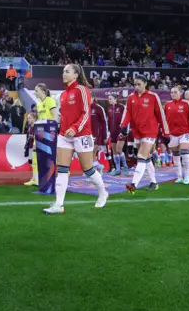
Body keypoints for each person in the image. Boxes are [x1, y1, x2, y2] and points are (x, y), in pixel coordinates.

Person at [43, 63, 108, 214]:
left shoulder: (82, 90)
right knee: (62, 169)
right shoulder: (63, 95)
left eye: (66, 71)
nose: (63, 74)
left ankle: (103, 192)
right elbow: (63, 115)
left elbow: (86, 113)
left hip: (82, 135)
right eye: (63, 71)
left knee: (88, 169)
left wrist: (75, 128)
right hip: (64, 136)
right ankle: (59, 205)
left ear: (75, 75)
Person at [120, 76, 169, 193]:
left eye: (139, 84)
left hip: (150, 131)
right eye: (135, 85)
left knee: (141, 156)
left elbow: (160, 115)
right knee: (146, 158)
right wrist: (123, 125)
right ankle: (153, 182)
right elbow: (128, 113)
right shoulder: (131, 97)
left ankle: (133, 184)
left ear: (145, 84)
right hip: (137, 132)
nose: (136, 87)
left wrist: (165, 132)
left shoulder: (153, 97)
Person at [164, 87, 189, 185]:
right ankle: (179, 176)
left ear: (180, 93)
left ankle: (187, 175)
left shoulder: (186, 103)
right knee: (176, 156)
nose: (173, 94)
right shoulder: (167, 104)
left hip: (185, 132)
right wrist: (165, 132)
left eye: (175, 92)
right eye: (171, 92)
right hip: (172, 134)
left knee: (185, 153)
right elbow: (164, 120)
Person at [107, 95, 128, 176]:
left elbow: (127, 118)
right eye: (108, 99)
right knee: (115, 152)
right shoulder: (109, 108)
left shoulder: (122, 107)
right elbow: (109, 121)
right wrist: (109, 132)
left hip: (121, 132)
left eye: (110, 98)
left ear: (115, 99)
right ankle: (117, 169)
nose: (109, 100)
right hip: (112, 133)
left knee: (119, 150)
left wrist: (124, 131)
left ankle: (125, 167)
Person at [89, 95, 108, 174]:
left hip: (97, 134)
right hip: (87, 134)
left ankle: (93, 173)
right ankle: (99, 167)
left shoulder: (99, 108)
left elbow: (104, 123)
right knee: (89, 153)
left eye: (89, 97)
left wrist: (105, 136)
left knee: (92, 152)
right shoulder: (85, 108)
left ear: (93, 98)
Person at [23, 112, 38, 186]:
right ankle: (34, 178)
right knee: (31, 162)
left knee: (35, 163)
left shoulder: (37, 127)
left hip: (35, 148)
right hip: (30, 147)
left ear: (34, 118)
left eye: (29, 118)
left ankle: (36, 179)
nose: (28, 119)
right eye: (28, 118)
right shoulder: (29, 128)